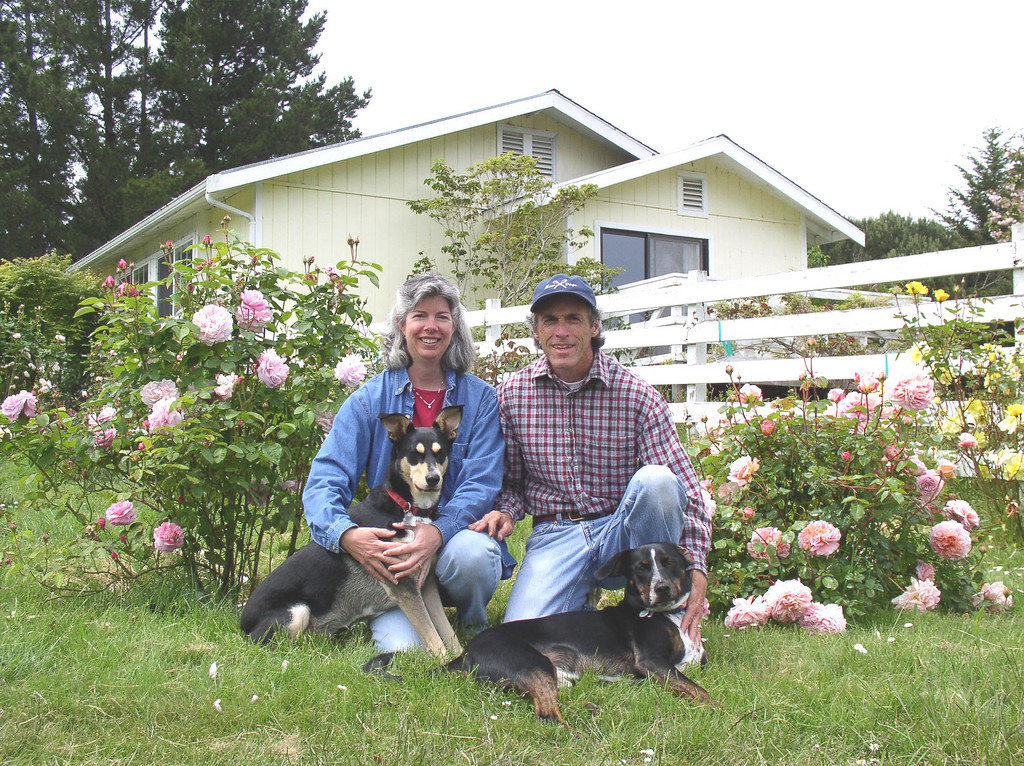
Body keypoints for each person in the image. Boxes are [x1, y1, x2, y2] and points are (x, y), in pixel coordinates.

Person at [470, 274, 712, 641]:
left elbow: (687, 492)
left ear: (594, 326)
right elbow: (513, 483)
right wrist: (505, 510)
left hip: (624, 533)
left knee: (659, 481)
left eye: (573, 319)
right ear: (536, 331)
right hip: (556, 535)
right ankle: (582, 602)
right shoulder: (512, 396)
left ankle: (666, 614)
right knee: (525, 636)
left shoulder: (638, 397)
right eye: (550, 321)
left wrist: (696, 565)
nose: (561, 332)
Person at [304, 273, 515, 652]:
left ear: (454, 327)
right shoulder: (370, 400)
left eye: (442, 317)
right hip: (396, 555)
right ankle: (400, 610)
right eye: (419, 316)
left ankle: (471, 621)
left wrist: (438, 532)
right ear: (402, 325)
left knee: (475, 557)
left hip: (453, 544)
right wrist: (346, 535)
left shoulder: (480, 400)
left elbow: (482, 483)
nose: (431, 326)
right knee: (401, 649)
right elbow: (325, 480)